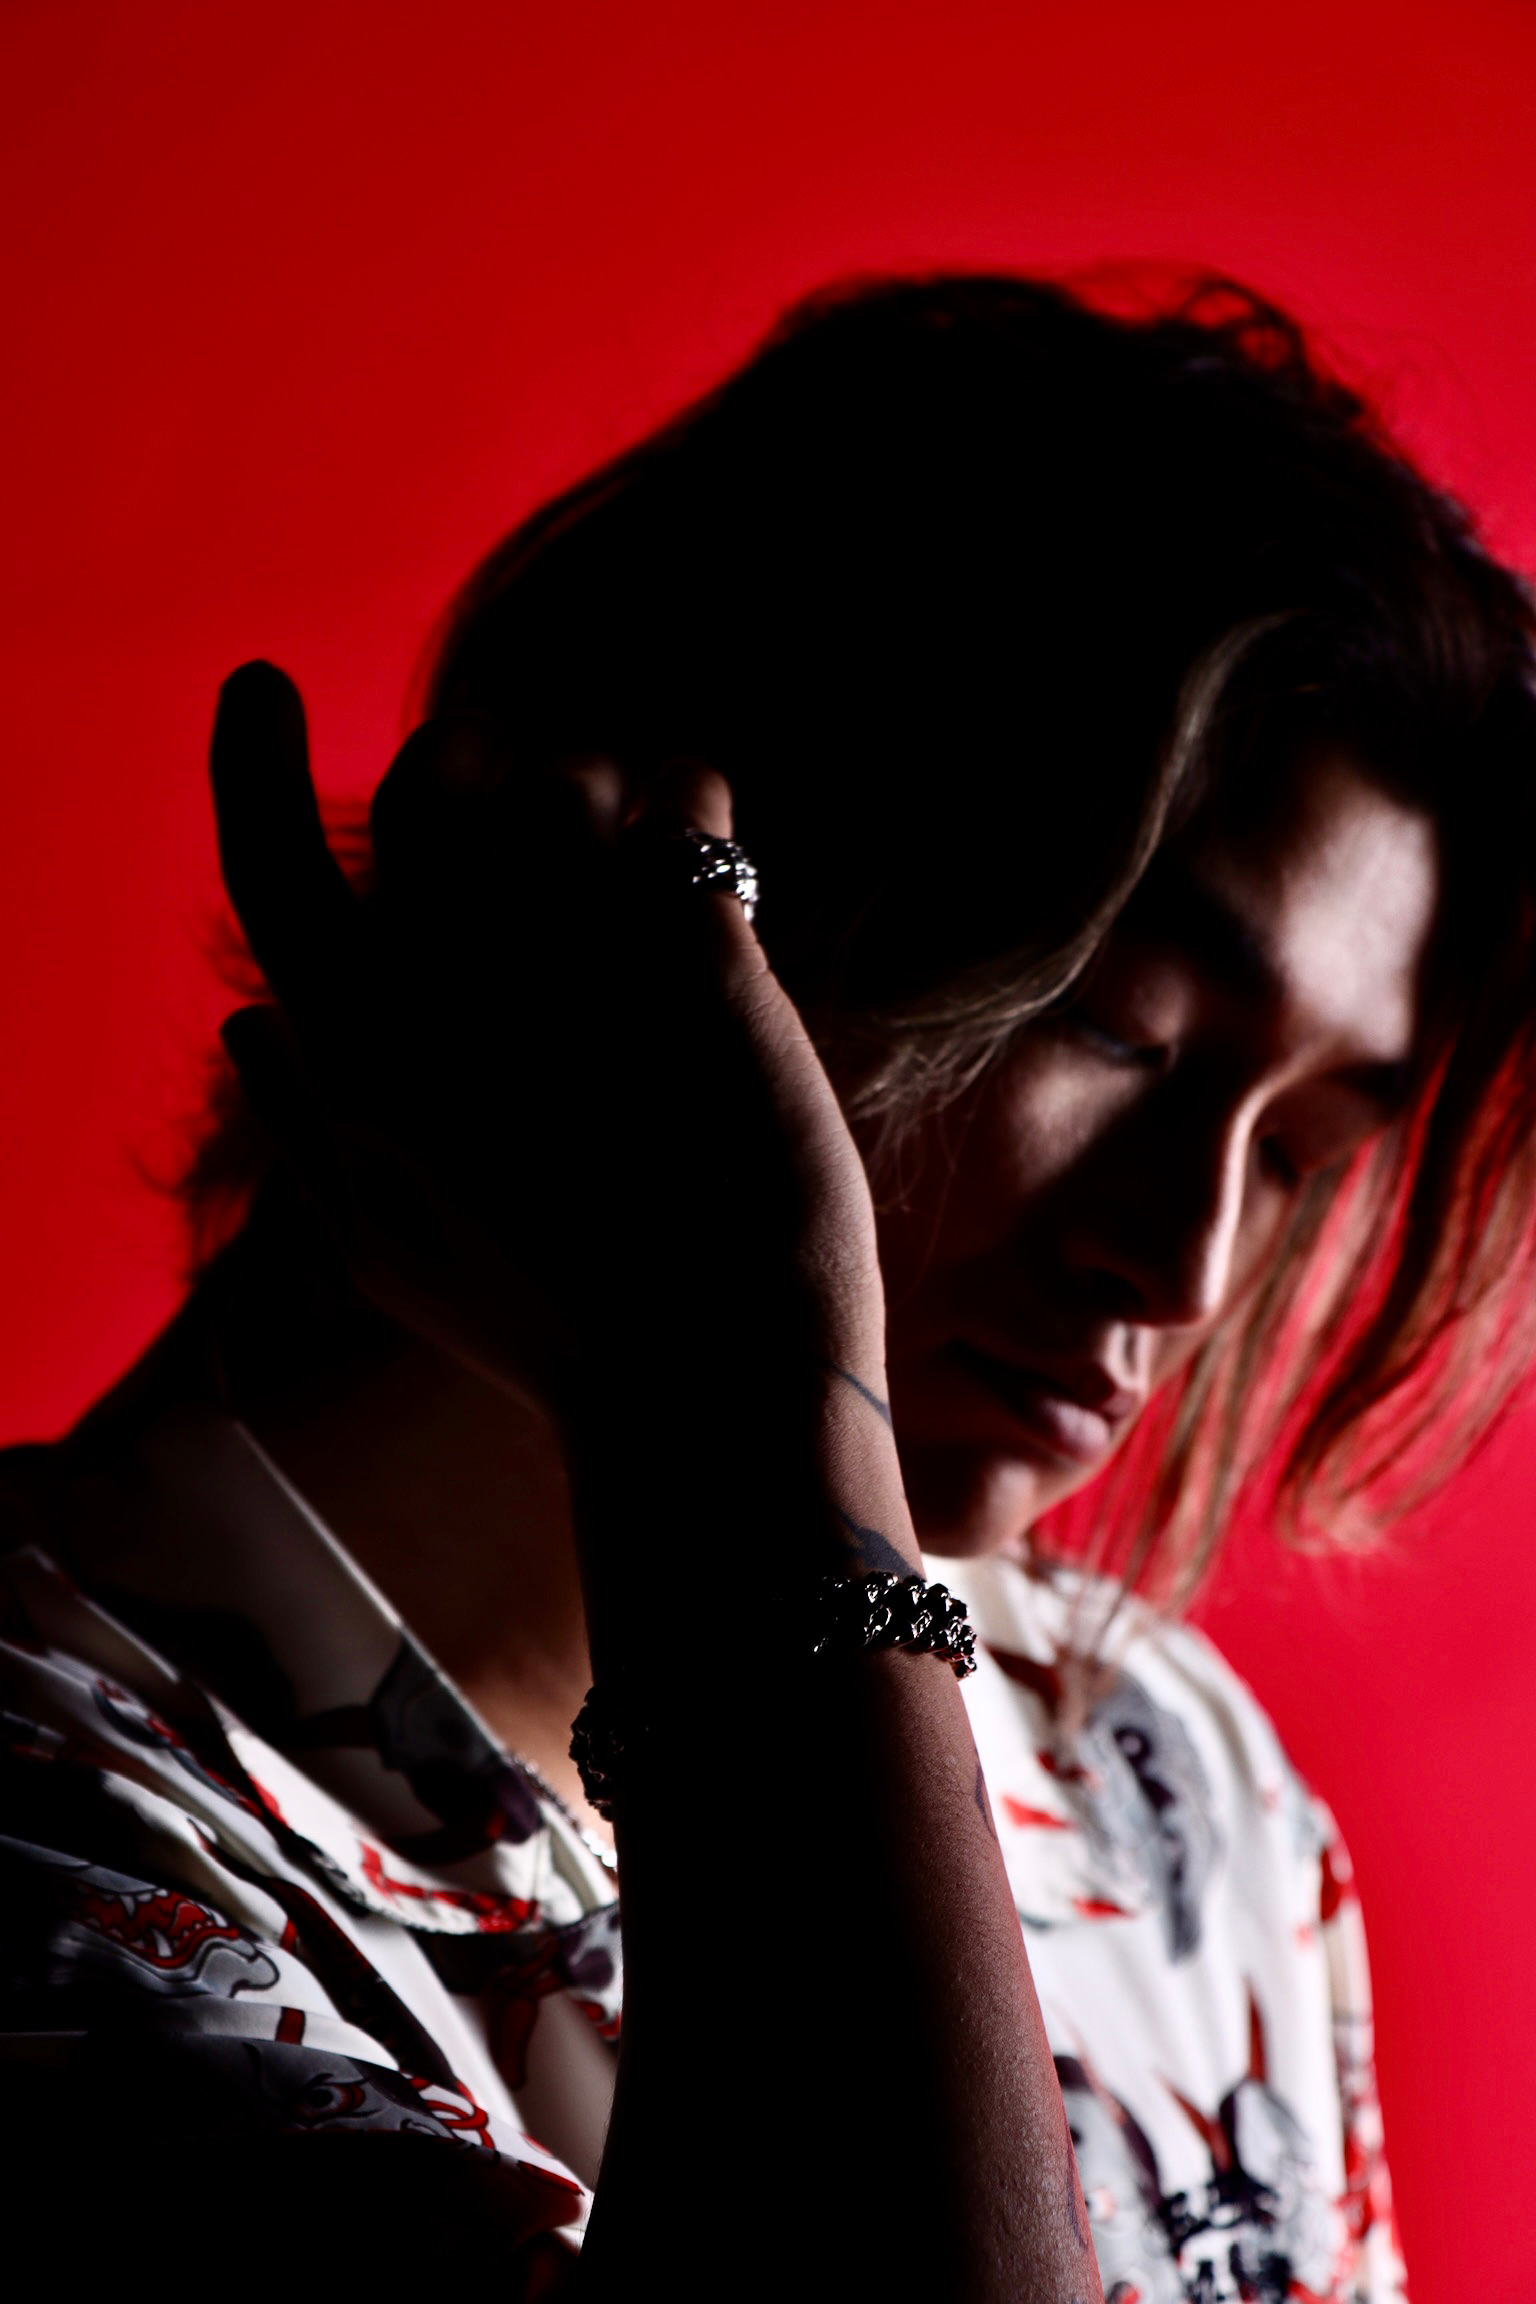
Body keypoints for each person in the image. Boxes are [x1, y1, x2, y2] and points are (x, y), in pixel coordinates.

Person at [4, 272, 1535, 2301]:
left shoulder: (1160, 1786)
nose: (1183, 1258)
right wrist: (752, 1438)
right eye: (1116, 1030)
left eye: (1310, 1143)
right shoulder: (57, 1836)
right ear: (606, 879)